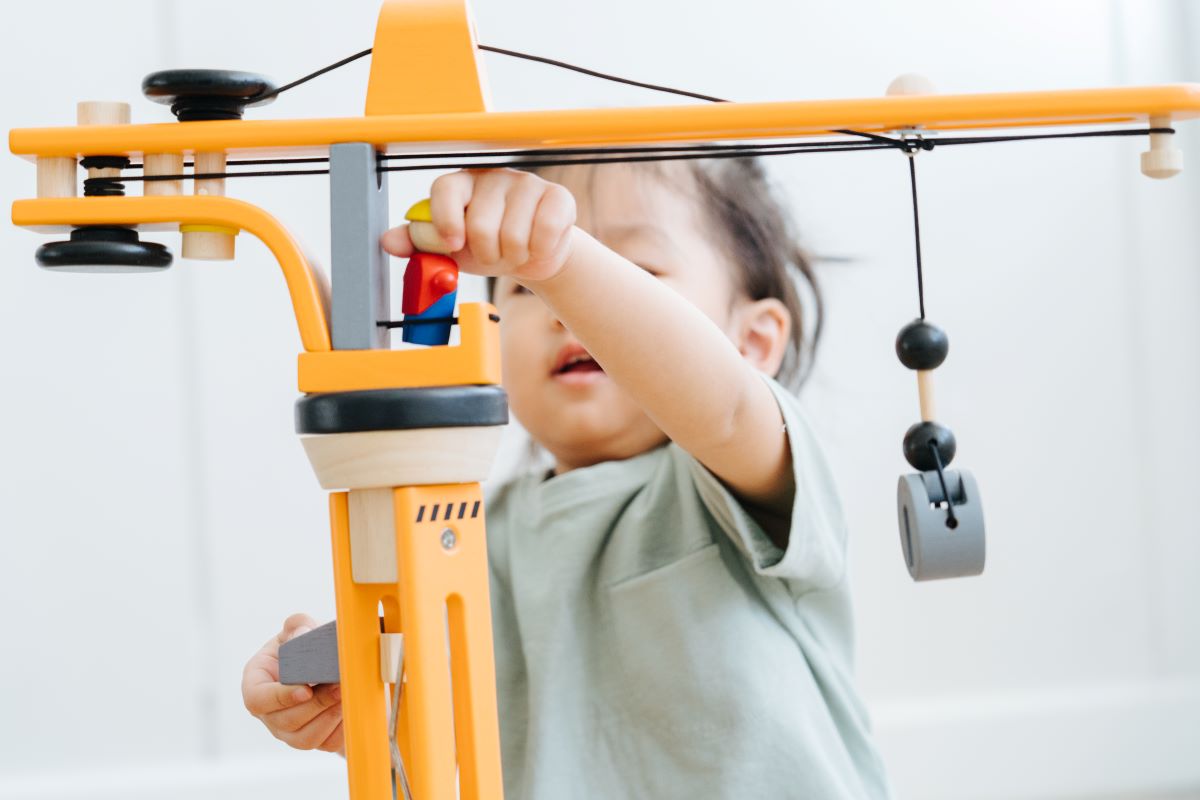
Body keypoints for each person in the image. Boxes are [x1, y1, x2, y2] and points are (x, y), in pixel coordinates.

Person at [241, 158, 891, 799]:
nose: (565, 308)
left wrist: (559, 261)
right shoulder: (458, 534)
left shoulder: (742, 472)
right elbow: (432, 728)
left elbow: (724, 409)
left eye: (634, 270)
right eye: (524, 287)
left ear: (752, 344)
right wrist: (339, 699)